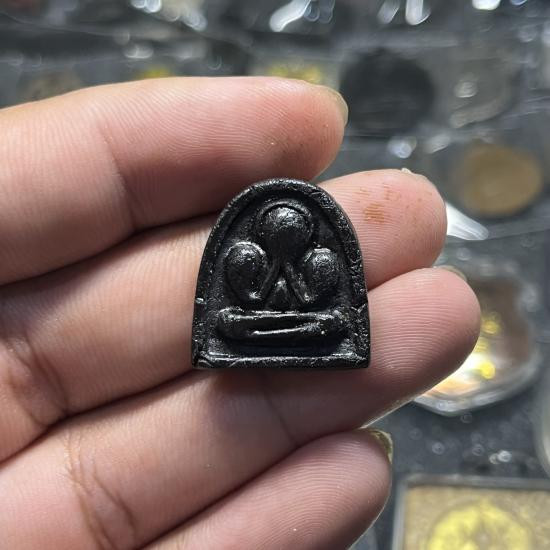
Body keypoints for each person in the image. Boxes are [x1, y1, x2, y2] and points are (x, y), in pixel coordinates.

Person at [0, 77, 480, 549]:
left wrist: (293, 287)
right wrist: (276, 287)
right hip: (255, 326)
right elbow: (246, 305)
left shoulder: (321, 258)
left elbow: (313, 303)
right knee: (233, 324)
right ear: (268, 233)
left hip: (304, 326)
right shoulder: (244, 254)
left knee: (331, 324)